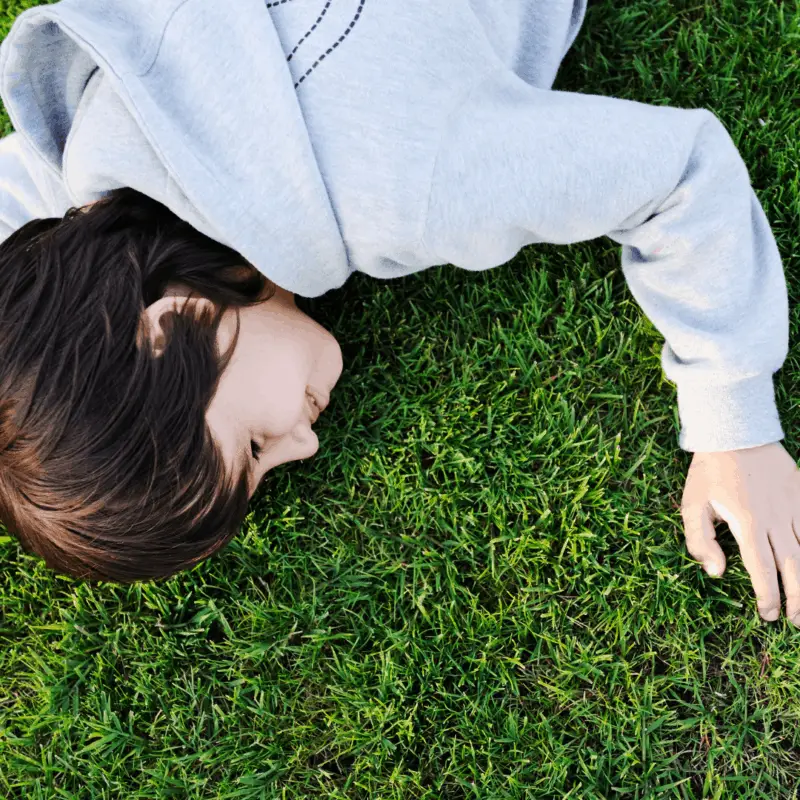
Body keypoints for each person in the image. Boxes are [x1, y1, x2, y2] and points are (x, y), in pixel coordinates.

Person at [0, 0, 797, 624]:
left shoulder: (399, 186)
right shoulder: (110, 112)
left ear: (174, 324)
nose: (303, 444)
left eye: (252, 444)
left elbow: (679, 174)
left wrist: (736, 424)